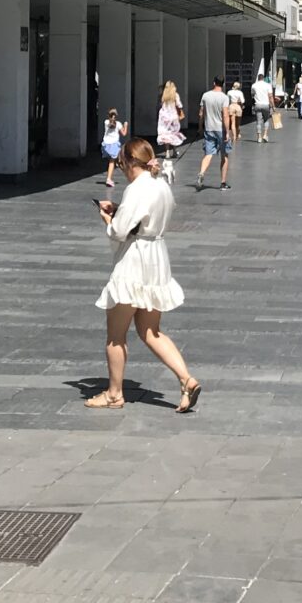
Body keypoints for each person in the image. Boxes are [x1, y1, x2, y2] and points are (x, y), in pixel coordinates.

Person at [85, 139, 201, 413]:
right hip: (156, 257)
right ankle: (186, 379)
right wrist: (121, 212)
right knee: (151, 331)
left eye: (122, 164)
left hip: (134, 260)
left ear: (128, 163)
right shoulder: (161, 185)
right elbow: (147, 219)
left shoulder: (136, 189)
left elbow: (119, 231)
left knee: (116, 335)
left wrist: (108, 218)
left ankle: (114, 394)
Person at [197, 77, 232, 190]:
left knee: (208, 154)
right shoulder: (224, 97)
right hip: (220, 129)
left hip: (209, 128)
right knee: (224, 155)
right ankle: (223, 183)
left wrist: (200, 126)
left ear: (214, 83)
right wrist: (227, 131)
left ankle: (202, 172)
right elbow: (225, 115)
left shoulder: (205, 95)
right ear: (223, 84)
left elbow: (201, 113)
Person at [100, 108, 127, 188]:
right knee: (112, 161)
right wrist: (125, 125)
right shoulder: (118, 124)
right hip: (114, 145)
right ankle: (109, 179)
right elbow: (124, 133)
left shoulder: (106, 122)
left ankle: (117, 164)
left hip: (106, 145)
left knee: (112, 160)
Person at [156, 81, 184, 148]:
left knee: (165, 134)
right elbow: (179, 105)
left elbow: (159, 106)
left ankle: (167, 151)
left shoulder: (162, 95)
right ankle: (174, 149)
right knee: (173, 133)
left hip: (163, 116)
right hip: (173, 115)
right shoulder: (175, 95)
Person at [251, 74, 273, 142]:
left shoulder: (254, 85)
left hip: (257, 104)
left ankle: (259, 137)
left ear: (258, 78)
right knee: (266, 120)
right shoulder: (268, 85)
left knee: (258, 121)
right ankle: (265, 135)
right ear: (263, 78)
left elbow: (252, 94)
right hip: (266, 105)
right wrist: (273, 106)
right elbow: (270, 96)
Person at [227, 80, 246, 145]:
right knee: (238, 123)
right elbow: (242, 101)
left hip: (231, 106)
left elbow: (227, 100)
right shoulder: (240, 92)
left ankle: (234, 136)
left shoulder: (229, 92)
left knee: (232, 123)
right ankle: (237, 134)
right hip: (238, 106)